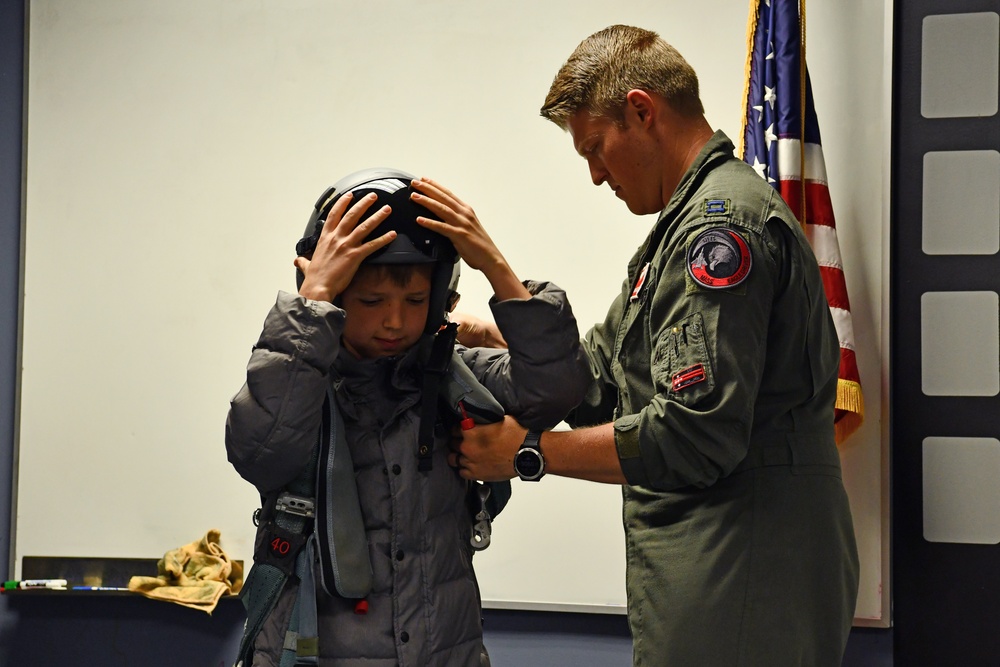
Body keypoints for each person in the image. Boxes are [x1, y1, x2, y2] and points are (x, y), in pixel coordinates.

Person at [445, 25, 861, 666]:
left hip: (746, 569)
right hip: (715, 565)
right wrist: (494, 327)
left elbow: (697, 434)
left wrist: (529, 453)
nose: (593, 174)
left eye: (594, 147)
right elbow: (601, 380)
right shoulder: (676, 233)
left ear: (641, 111)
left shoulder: (720, 232)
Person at [225, 168, 589, 667]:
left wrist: (495, 267)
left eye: (415, 300)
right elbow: (260, 451)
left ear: (440, 299)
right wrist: (310, 306)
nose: (395, 320)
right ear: (334, 296)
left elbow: (557, 392)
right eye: (372, 301)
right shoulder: (297, 383)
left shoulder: (455, 380)